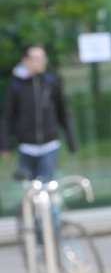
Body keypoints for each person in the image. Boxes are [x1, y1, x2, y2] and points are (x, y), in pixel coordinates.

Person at [2, 45, 77, 183]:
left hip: (49, 144)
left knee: (45, 186)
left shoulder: (50, 81)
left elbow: (63, 112)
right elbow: (6, 116)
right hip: (26, 146)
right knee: (30, 188)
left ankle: (52, 205)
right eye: (37, 58)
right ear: (25, 60)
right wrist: (4, 143)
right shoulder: (16, 85)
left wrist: (71, 140)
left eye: (43, 57)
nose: (41, 61)